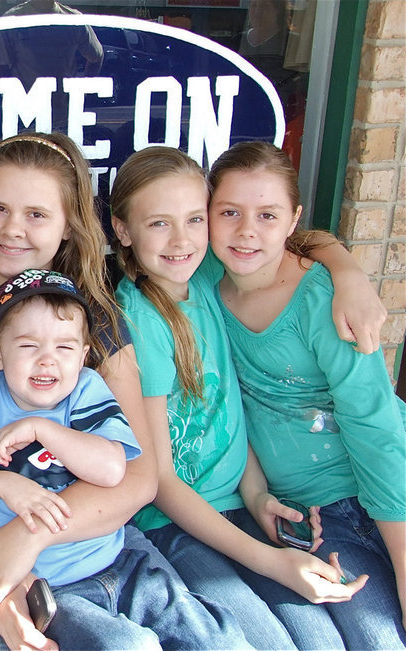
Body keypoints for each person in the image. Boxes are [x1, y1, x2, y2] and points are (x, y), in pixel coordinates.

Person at [0, 132, 249, 650]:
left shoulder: (96, 317)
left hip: (96, 537)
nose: (14, 229)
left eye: (37, 214)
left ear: (68, 226)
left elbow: (138, 475)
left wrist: (29, 535)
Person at [110, 146, 370, 649]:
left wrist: (256, 496)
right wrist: (272, 561)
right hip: (177, 521)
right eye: (159, 224)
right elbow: (160, 481)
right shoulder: (139, 319)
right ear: (123, 230)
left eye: (193, 219)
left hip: (239, 505)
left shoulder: (203, 278)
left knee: (324, 641)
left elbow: (226, 415)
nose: (182, 240)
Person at [208, 140, 406, 649]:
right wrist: (343, 260)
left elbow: (376, 429)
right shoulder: (203, 275)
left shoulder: (323, 303)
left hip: (379, 492)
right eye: (229, 211)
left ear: (292, 220)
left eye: (267, 216)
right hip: (310, 515)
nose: (247, 230)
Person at [0, 269, 170, 647]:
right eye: (28, 346)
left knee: (213, 636)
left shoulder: (87, 392)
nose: (47, 361)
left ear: (84, 356)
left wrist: (43, 429)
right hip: (46, 582)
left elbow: (111, 469)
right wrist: (2, 483)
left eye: (64, 348)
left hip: (110, 557)